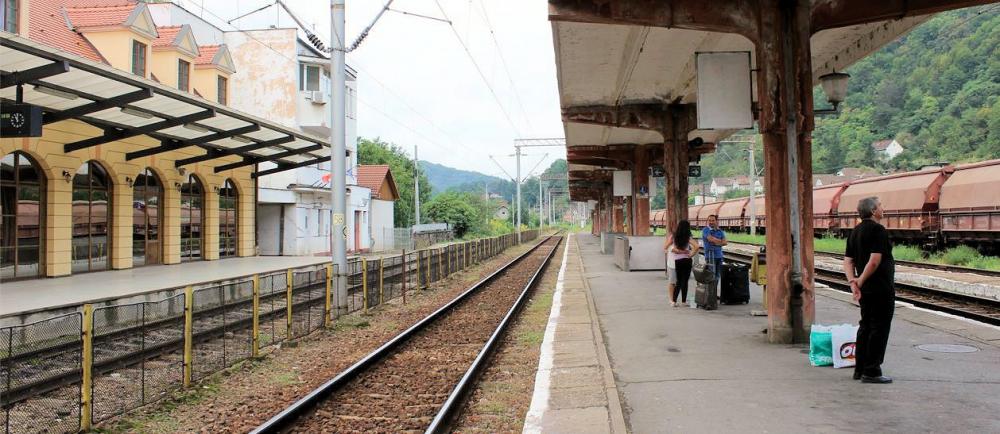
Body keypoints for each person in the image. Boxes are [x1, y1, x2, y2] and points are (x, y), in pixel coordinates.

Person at [842, 196, 895, 384]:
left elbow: (848, 261)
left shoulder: (854, 232)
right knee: (879, 328)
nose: (883, 208)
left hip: (865, 291)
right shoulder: (878, 230)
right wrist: (861, 281)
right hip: (880, 288)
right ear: (873, 211)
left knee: (865, 326)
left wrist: (853, 283)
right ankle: (872, 371)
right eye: (881, 205)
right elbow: (874, 261)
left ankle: (860, 369)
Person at [664, 220, 699, 307]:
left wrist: (678, 251)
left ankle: (674, 301)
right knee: (685, 281)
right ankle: (683, 301)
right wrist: (691, 254)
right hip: (687, 260)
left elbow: (666, 247)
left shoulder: (674, 236)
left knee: (678, 282)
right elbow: (697, 246)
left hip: (678, 261)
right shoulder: (687, 237)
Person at [702, 215, 727, 281]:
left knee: (717, 276)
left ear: (716, 221)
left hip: (719, 256)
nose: (711, 222)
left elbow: (725, 242)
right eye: (709, 220)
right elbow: (710, 239)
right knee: (710, 276)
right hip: (710, 256)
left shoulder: (720, 231)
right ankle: (710, 291)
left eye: (713, 220)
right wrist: (720, 241)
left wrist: (715, 242)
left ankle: (714, 291)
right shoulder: (705, 230)